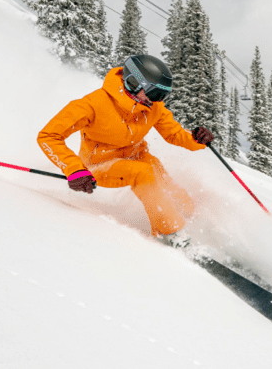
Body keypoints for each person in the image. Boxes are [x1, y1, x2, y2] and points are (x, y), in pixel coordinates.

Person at [37, 54, 214, 242]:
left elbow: (174, 134)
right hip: (100, 164)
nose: (157, 100)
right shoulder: (93, 104)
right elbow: (48, 136)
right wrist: (74, 169)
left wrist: (197, 140)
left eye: (163, 96)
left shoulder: (153, 107)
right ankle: (172, 233)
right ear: (133, 82)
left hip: (136, 155)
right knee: (143, 172)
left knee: (156, 169)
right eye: (154, 93)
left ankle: (190, 218)